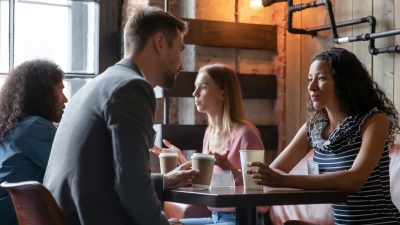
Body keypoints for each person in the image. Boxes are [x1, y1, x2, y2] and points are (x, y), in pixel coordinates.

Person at [43, 5, 199, 225]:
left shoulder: (95, 85)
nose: (182, 64)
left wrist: (162, 181)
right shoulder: (132, 87)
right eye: (180, 50)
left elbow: (102, 177)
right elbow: (131, 187)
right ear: (160, 42)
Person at [246, 48, 400, 224]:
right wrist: (274, 177)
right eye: (310, 79)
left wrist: (284, 180)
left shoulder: (374, 121)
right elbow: (276, 170)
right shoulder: (313, 128)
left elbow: (355, 180)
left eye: (321, 78)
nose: (311, 87)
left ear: (344, 82)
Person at [152, 64, 268, 225]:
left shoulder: (246, 134)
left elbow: (262, 200)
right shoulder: (209, 133)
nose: (195, 93)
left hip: (242, 220)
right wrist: (180, 159)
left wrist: (229, 168)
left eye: (203, 87)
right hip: (215, 218)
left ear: (223, 93)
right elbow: (207, 183)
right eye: (195, 87)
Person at [0, 59, 68, 225]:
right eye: (59, 91)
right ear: (41, 95)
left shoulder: (14, 125)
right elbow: (70, 172)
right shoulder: (35, 127)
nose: (65, 99)